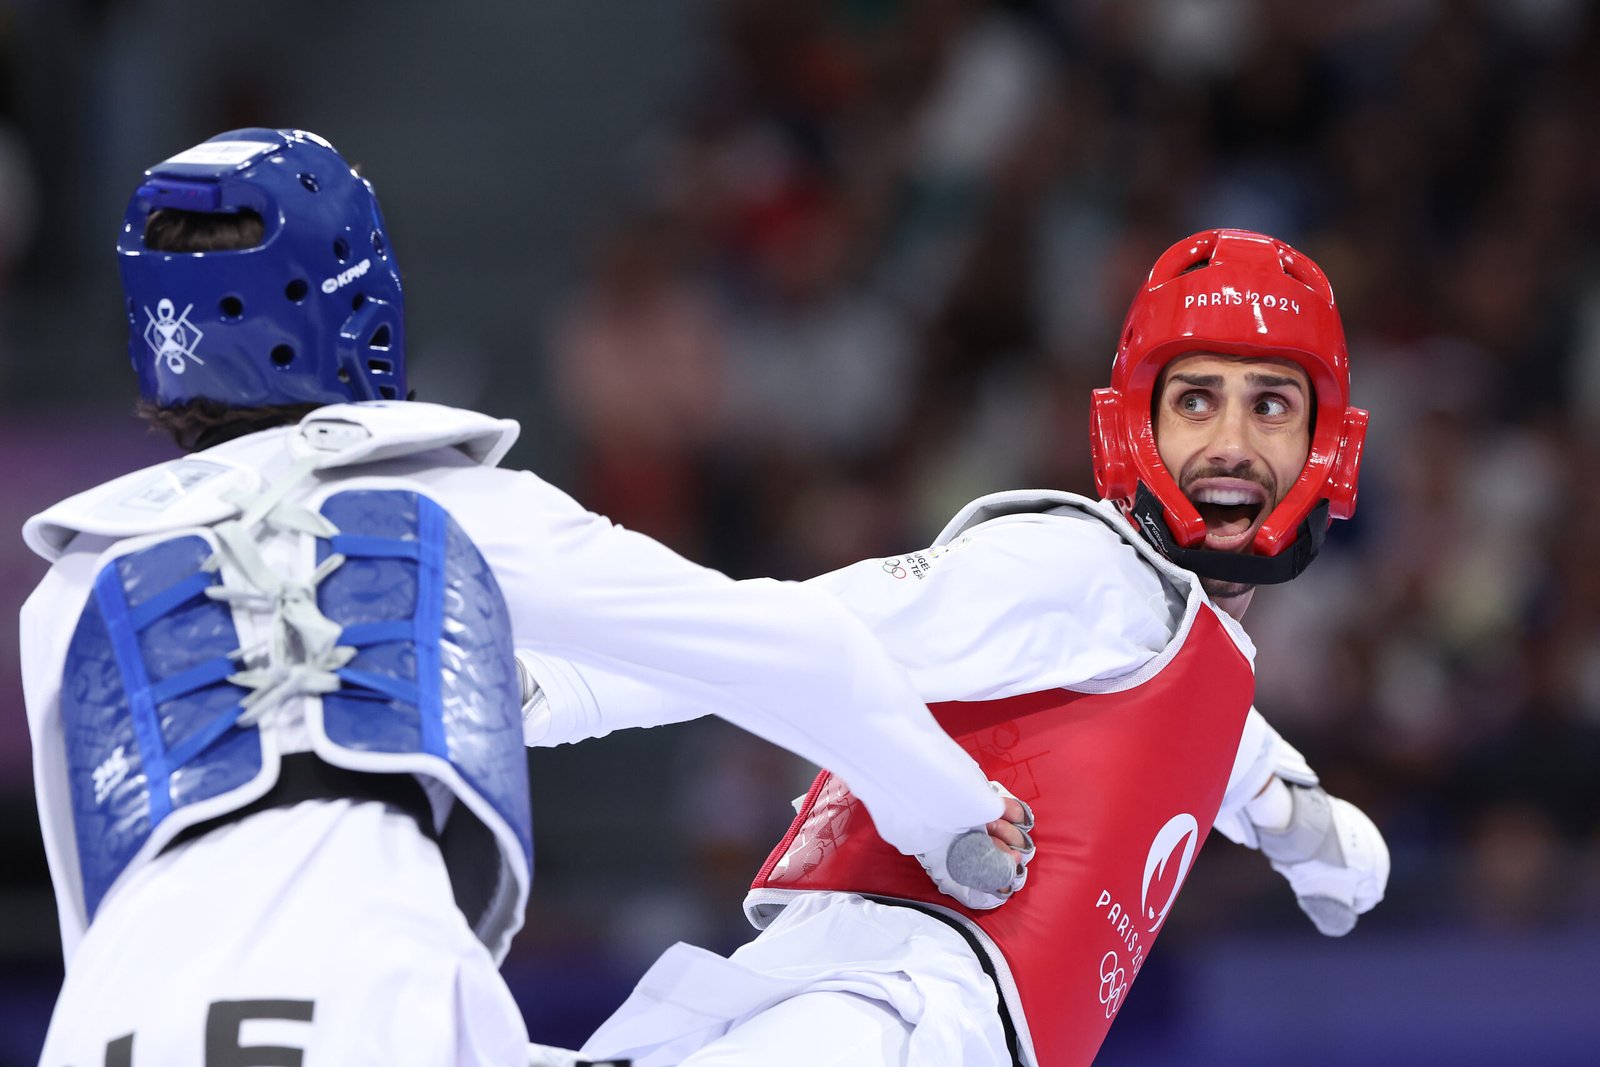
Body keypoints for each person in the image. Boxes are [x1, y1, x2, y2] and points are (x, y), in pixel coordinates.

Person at [17, 128, 1033, 1067]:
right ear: (357, 298)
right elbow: (791, 647)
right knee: (878, 1016)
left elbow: (96, 902)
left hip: (111, 1027)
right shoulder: (442, 507)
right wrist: (952, 812)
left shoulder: (67, 587)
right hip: (372, 1005)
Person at [527, 229, 1391, 1067]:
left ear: (1329, 444)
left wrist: (1331, 846)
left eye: (1270, 404)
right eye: (1196, 400)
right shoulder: (1077, 568)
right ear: (1132, 430)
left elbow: (1250, 770)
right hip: (880, 1014)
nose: (1232, 443)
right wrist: (554, 691)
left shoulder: (1187, 657)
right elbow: (790, 638)